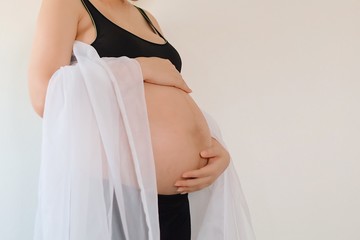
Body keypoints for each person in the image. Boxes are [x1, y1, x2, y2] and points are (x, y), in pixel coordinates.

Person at [28, 0, 231, 239]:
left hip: (174, 198)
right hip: (115, 196)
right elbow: (44, 96)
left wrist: (212, 145)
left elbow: (168, 94)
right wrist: (139, 67)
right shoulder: (67, 4)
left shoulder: (147, 19)